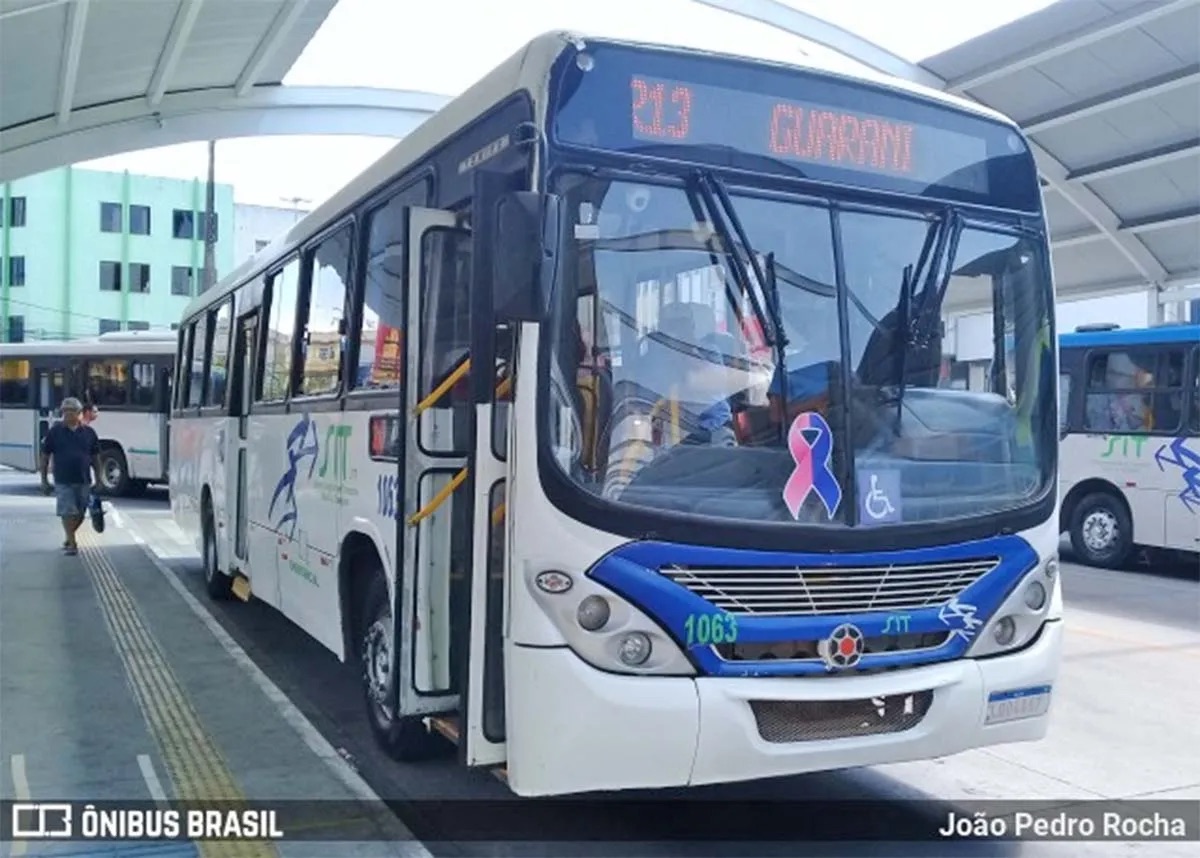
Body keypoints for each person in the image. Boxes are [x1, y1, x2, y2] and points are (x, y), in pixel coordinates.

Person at [39, 397, 101, 556]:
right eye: (64, 411)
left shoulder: (89, 433)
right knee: (68, 511)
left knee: (80, 513)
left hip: (83, 479)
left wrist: (99, 479)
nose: (67, 415)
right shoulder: (55, 431)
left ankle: (69, 535)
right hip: (63, 479)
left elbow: (95, 457)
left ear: (79, 413)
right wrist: (44, 480)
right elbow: (45, 455)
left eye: (71, 411)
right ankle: (73, 543)